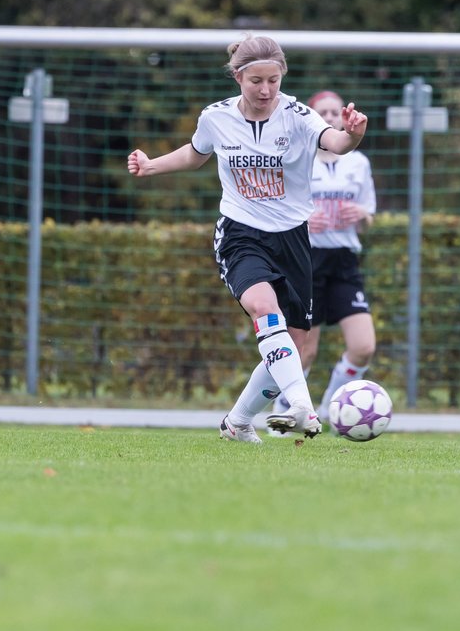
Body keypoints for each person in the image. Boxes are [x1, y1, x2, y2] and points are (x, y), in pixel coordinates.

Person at [127, 35, 369, 444]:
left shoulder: (299, 115)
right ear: (238, 76)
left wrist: (354, 133)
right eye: (256, 80)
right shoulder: (216, 117)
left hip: (293, 238)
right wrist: (152, 166)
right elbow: (196, 152)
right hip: (240, 233)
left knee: (292, 342)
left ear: (282, 77)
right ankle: (302, 407)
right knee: (263, 308)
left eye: (273, 80)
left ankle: (237, 423)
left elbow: (337, 143)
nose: (265, 90)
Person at [268, 89, 377, 426]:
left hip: (345, 261)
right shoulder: (298, 157)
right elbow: (275, 207)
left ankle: (332, 408)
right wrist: (303, 218)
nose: (330, 117)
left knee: (363, 346)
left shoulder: (357, 162)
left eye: (335, 112)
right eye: (323, 112)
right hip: (307, 259)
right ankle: (284, 414)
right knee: (305, 349)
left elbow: (369, 216)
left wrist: (360, 213)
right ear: (312, 118)